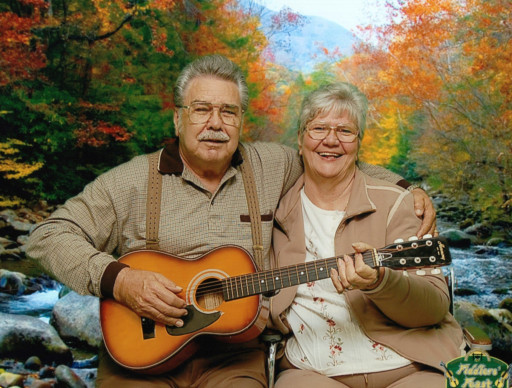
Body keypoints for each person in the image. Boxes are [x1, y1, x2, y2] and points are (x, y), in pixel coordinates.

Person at [27, 56, 436, 388]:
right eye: (201, 109)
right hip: (139, 358)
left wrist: (407, 188)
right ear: (177, 119)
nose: (215, 123)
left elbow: (331, 157)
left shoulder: (269, 165)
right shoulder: (132, 180)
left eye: (228, 111)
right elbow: (47, 236)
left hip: (234, 358)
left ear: (241, 120)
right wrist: (120, 280)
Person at [268, 82, 464, 388]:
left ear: (359, 142)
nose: (330, 140)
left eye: (345, 131)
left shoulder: (397, 203)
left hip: (411, 366)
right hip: (313, 372)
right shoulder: (275, 212)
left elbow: (434, 307)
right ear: (300, 138)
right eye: (318, 128)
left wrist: (381, 283)